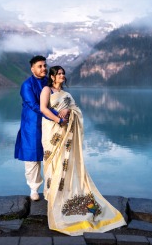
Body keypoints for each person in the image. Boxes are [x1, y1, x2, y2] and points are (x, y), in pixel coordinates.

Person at [40, 66, 126, 236]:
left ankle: (65, 192)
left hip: (67, 131)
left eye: (63, 73)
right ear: (52, 76)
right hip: (52, 131)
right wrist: (58, 118)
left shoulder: (67, 94)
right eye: (59, 73)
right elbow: (43, 109)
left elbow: (77, 111)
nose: (62, 75)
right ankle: (52, 193)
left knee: (66, 162)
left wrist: (69, 111)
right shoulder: (46, 90)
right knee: (52, 162)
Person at [14, 56, 69, 201]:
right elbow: (34, 105)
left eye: (45, 65)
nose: (43, 68)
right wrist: (56, 115)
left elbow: (60, 97)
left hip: (50, 125)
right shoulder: (27, 85)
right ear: (32, 69)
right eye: (40, 66)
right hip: (32, 126)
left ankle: (52, 186)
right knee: (32, 158)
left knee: (51, 155)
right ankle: (34, 189)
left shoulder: (48, 82)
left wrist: (66, 110)